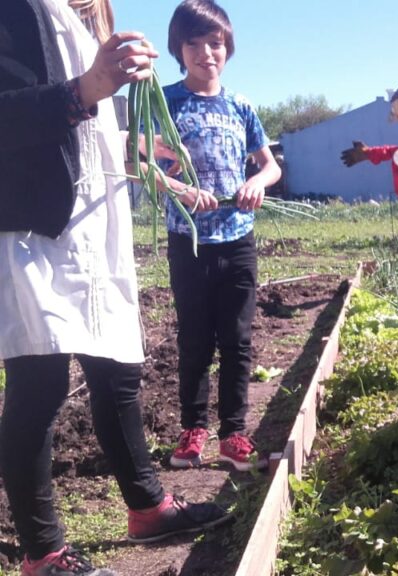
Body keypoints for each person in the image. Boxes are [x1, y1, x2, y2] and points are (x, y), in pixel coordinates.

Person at [0, 1, 230, 574]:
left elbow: (90, 124)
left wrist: (139, 146)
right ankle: (44, 554)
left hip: (97, 218)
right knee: (40, 382)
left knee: (119, 371)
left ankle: (148, 507)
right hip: (33, 224)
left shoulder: (85, 16)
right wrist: (89, 87)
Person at [158, 0, 281, 473]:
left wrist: (256, 182)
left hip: (237, 239)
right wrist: (181, 189)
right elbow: (141, 164)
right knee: (193, 337)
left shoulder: (241, 105)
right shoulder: (165, 102)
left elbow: (271, 165)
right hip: (187, 240)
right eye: (195, 43)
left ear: (227, 48)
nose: (206, 53)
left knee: (237, 338)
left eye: (215, 43)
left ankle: (233, 433)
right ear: (179, 49)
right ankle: (193, 430)